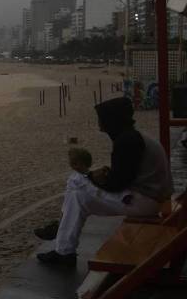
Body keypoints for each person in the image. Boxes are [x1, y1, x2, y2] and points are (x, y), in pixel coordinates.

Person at [35, 97, 172, 266]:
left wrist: (94, 177)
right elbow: (125, 174)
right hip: (149, 197)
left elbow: (117, 185)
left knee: (77, 186)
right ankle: (63, 236)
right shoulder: (133, 136)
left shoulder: (127, 141)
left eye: (101, 118)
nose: (99, 122)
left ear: (111, 120)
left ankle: (64, 247)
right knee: (77, 187)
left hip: (145, 202)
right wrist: (102, 175)